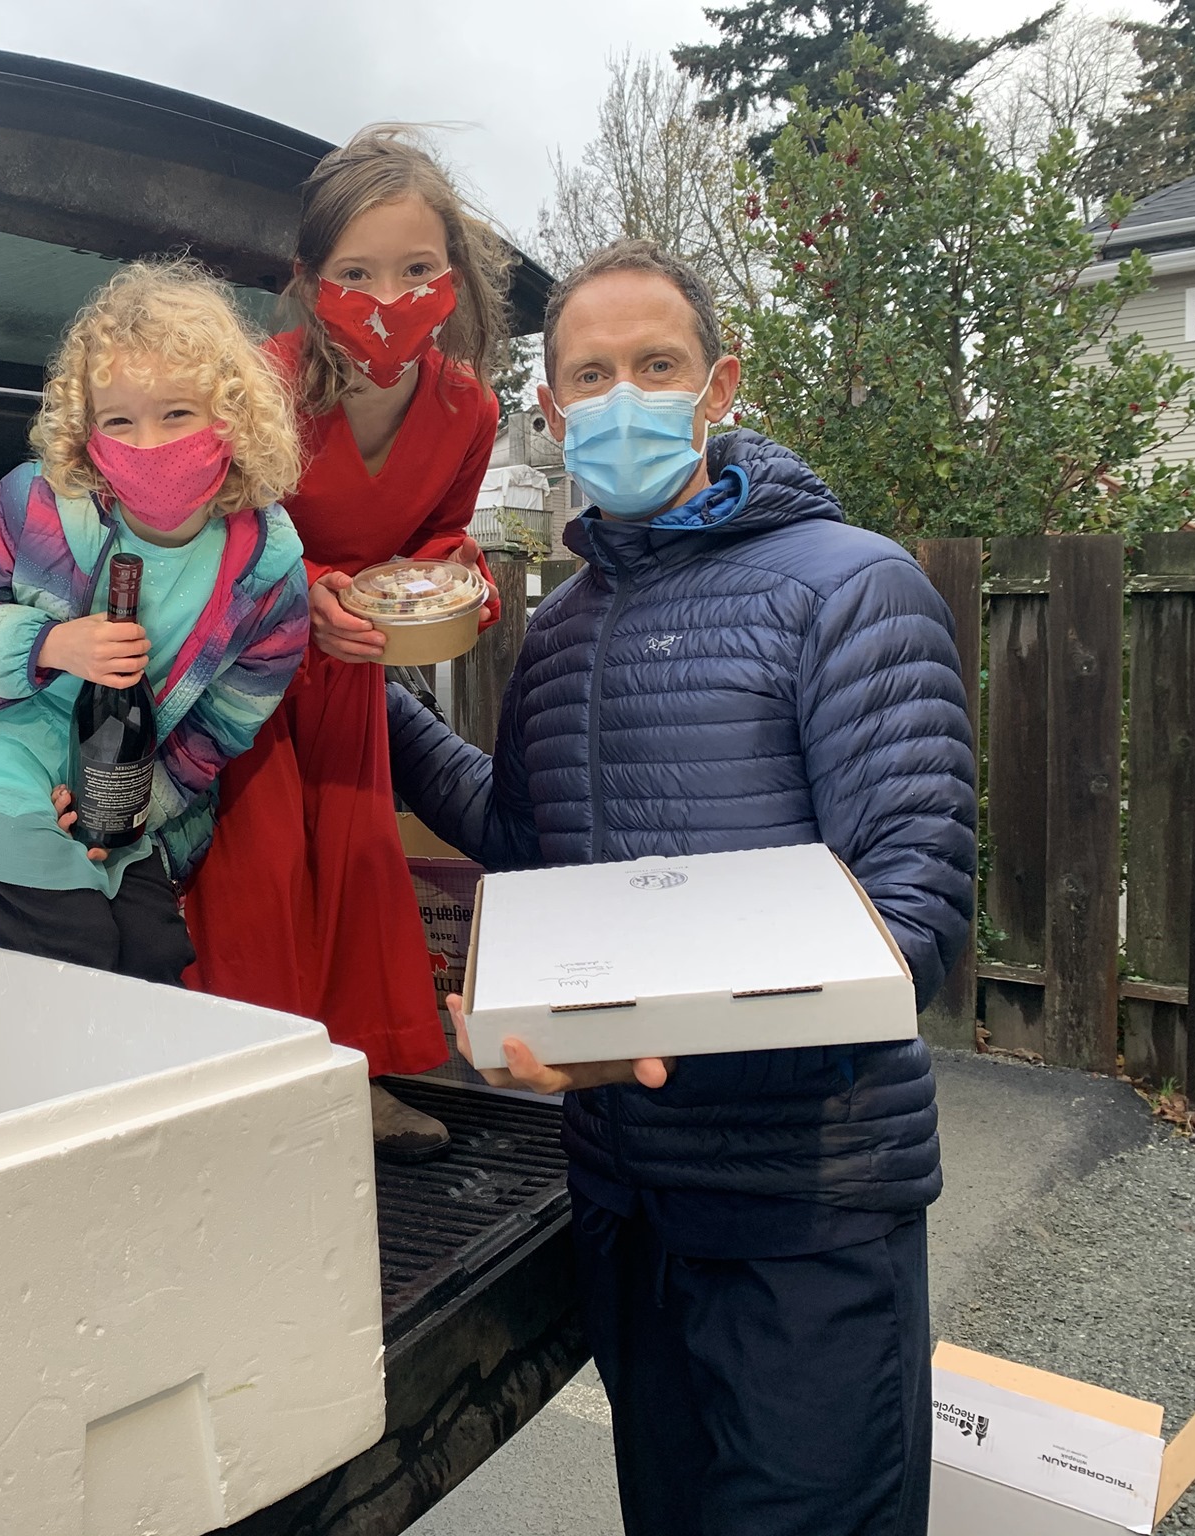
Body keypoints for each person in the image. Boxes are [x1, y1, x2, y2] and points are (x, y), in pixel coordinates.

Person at [388, 239, 976, 1536]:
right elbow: (523, 844)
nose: (622, 399)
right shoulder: (563, 630)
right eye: (588, 376)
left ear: (720, 387)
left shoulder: (850, 588)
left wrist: (653, 1034)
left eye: (655, 365)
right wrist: (362, 702)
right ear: (550, 412)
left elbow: (916, 915)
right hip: (625, 1202)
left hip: (803, 1212)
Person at [182, 126, 511, 1159]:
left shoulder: (468, 409)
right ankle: (248, 1103)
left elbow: (442, 534)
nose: (387, 297)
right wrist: (309, 590)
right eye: (356, 273)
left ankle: (356, 1085)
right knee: (258, 876)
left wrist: (462, 583)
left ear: (453, 277)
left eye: (416, 270)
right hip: (239, 675)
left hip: (349, 681)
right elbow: (203, 538)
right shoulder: (255, 389)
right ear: (308, 279)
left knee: (358, 866)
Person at [0, 260, 308, 984]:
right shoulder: (32, 503)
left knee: (153, 953)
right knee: (76, 944)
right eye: (119, 421)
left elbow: (224, 723)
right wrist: (48, 643)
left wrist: (127, 811)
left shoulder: (270, 574)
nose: (147, 444)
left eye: (177, 414)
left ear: (231, 417)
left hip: (114, 775)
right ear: (87, 430)